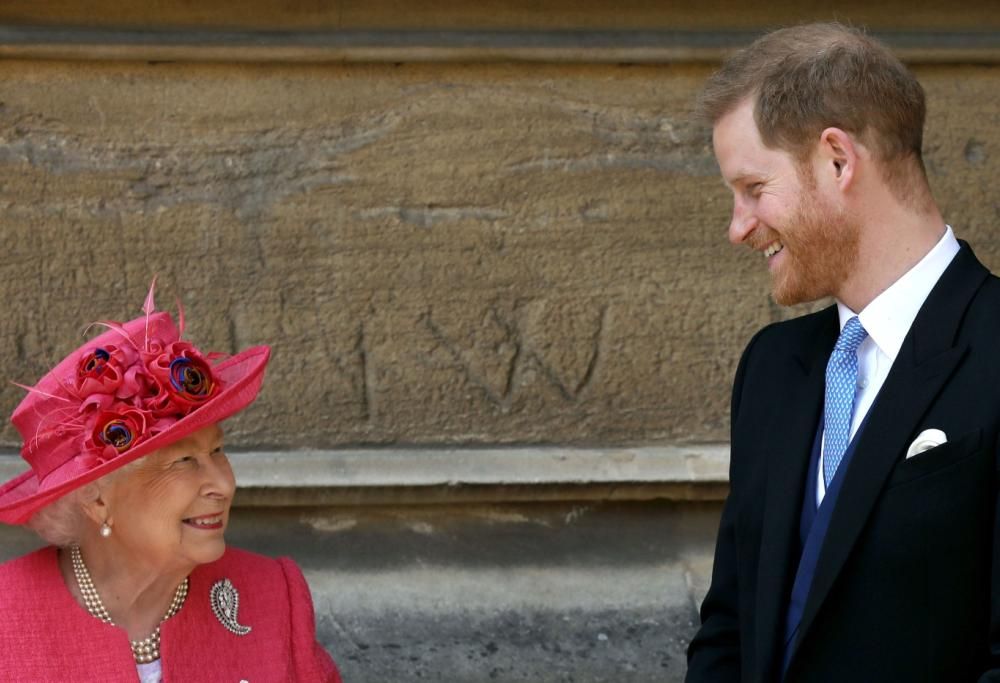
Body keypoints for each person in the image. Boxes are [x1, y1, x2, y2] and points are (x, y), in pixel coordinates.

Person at [686, 22, 1000, 682]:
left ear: (837, 160)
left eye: (753, 189)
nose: (738, 228)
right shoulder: (772, 369)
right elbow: (730, 629)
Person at [0, 282, 342, 682]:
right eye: (183, 461)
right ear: (96, 501)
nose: (223, 485)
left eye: (217, 451)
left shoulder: (273, 596)